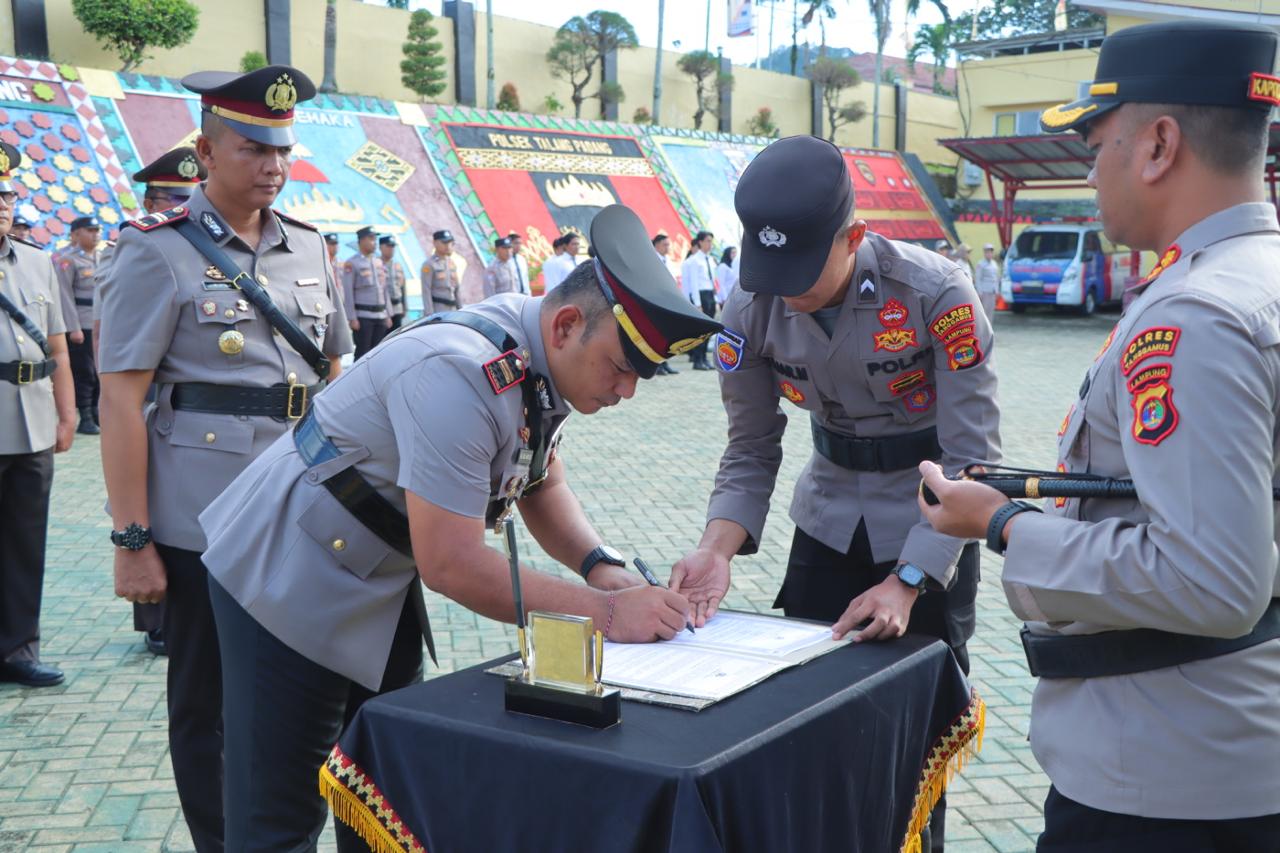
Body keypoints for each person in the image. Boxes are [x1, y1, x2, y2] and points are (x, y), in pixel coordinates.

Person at [198, 204, 721, 849]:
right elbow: (451, 565)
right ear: (565, 325)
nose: (626, 391)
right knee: (279, 815)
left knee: (379, 790)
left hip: (374, 574)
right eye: (620, 367)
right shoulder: (457, 371)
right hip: (286, 572)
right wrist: (609, 618)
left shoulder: (533, 354)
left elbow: (541, 479)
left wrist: (601, 568)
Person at [920, 21, 1280, 851]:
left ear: (1157, 145)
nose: (1088, 170)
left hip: (1167, 778)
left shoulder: (1199, 316)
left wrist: (1003, 524)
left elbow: (1214, 581)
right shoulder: (1248, 284)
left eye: (1096, 143)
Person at [671, 136, 1000, 852]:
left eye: (802, 268)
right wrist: (715, 549)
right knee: (806, 719)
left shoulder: (936, 292)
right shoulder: (748, 307)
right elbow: (752, 446)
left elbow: (971, 458)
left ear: (854, 236)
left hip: (931, 524)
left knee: (916, 733)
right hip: (825, 523)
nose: (784, 288)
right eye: (770, 268)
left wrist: (909, 580)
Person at [97, 64, 352, 851]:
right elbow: (120, 401)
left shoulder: (311, 250)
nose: (273, 166)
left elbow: (336, 376)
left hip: (302, 512)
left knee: (306, 689)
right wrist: (133, 539)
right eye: (253, 149)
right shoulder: (156, 251)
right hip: (203, 523)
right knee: (207, 703)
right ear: (204, 152)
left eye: (282, 150)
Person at [93, 145, 208, 658]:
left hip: (183, 406)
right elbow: (113, 340)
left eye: (183, 196)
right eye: (164, 197)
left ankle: (167, 618)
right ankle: (154, 620)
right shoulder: (132, 248)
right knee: (143, 509)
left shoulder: (200, 248)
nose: (173, 205)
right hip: (142, 400)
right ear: (146, 199)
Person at [0, 140, 77, 688]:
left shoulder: (37, 261)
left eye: (5, 194)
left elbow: (58, 347)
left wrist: (67, 411)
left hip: (32, 417)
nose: (2, 203)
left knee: (26, 542)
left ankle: (18, 649)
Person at [55, 215, 105, 435]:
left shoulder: (103, 258)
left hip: (101, 323)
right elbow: (64, 295)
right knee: (84, 371)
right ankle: (84, 415)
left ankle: (96, 412)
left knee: (100, 370)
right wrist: (73, 327)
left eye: (97, 230)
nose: (95, 234)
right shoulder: (68, 260)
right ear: (75, 234)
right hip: (81, 323)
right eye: (90, 230)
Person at [342, 226, 390, 359]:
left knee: (378, 353)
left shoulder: (379, 262)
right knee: (362, 353)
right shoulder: (352, 263)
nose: (374, 242)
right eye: (371, 239)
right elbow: (348, 292)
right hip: (363, 317)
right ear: (361, 241)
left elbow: (384, 289)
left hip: (380, 316)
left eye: (375, 239)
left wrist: (388, 314)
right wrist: (352, 318)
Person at [679, 230, 717, 370]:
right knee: (701, 330)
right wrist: (697, 303)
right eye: (707, 241)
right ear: (700, 242)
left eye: (711, 241)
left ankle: (704, 359)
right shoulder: (694, 260)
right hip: (701, 296)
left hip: (710, 295)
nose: (710, 244)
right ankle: (697, 359)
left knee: (709, 329)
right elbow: (693, 283)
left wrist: (716, 296)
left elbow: (712, 280)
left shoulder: (710, 259)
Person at [422, 228, 464, 313]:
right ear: (435, 243)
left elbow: (456, 289)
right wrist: (429, 314)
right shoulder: (429, 264)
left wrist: (461, 310)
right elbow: (426, 291)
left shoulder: (452, 263)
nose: (448, 246)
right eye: (444, 243)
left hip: (453, 308)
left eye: (450, 242)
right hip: (438, 309)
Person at [379, 235, 406, 329]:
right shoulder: (376, 265)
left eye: (393, 246)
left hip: (397, 308)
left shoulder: (397, 266)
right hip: (383, 309)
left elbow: (403, 288)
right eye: (388, 246)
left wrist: (404, 306)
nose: (391, 249)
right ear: (381, 247)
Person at [974, 243, 1000, 321]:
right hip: (984, 291)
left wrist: (997, 291)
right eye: (987, 252)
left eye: (991, 252)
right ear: (984, 253)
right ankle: (983, 331)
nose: (989, 254)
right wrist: (979, 292)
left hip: (992, 291)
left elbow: (996, 278)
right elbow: (978, 278)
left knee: (991, 312)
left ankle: (990, 330)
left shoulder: (994, 263)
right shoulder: (981, 264)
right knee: (984, 311)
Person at [508, 230, 530, 295]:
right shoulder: (505, 261)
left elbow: (525, 278)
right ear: (509, 243)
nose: (519, 245)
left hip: (525, 294)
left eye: (520, 243)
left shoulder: (522, 259)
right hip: (512, 295)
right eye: (516, 243)